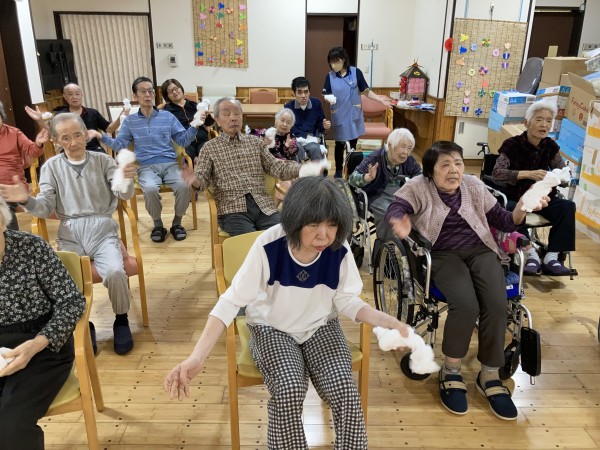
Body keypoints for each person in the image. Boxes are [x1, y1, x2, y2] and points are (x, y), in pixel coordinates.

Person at [164, 176, 410, 449]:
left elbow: (347, 301)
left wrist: (386, 321)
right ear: (294, 220)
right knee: (289, 388)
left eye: (332, 224)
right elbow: (230, 301)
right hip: (271, 329)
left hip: (320, 327)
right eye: (313, 224)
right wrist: (197, 356)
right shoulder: (269, 246)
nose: (324, 235)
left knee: (345, 390)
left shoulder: (338, 249)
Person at [385, 141, 548, 421]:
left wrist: (522, 207)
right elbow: (396, 207)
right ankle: (451, 370)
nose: (454, 170)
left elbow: (505, 221)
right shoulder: (419, 186)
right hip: (442, 254)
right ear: (431, 171)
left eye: (458, 163)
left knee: (497, 303)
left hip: (481, 251)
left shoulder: (473, 185)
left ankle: (489, 375)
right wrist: (399, 219)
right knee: (465, 304)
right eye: (445, 165)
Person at [0, 113, 138, 355]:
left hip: (103, 230)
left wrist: (126, 180)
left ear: (86, 134)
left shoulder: (103, 160)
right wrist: (26, 199)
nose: (73, 142)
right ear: (55, 141)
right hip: (70, 232)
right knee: (67, 281)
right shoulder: (51, 167)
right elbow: (45, 208)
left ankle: (121, 319)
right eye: (65, 138)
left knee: (115, 271)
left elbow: (122, 195)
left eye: (77, 135)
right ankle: (85, 322)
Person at [0, 196, 86, 450]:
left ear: (2, 223)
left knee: (11, 426)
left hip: (43, 345)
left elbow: (72, 302)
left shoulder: (31, 247)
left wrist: (36, 345)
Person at [182, 97, 326, 237]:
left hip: (263, 206)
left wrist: (304, 169)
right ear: (218, 120)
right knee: (251, 243)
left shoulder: (255, 143)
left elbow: (277, 167)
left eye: (237, 113)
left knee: (283, 237)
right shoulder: (209, 148)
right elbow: (202, 180)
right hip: (233, 210)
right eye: (226, 114)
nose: (233, 118)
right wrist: (194, 179)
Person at [93, 76, 204, 243]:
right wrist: (101, 137)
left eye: (150, 91)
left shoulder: (167, 116)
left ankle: (177, 223)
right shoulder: (130, 121)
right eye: (143, 91)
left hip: (170, 164)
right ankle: (158, 225)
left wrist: (194, 126)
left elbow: (182, 141)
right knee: (150, 189)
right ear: (135, 96)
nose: (147, 94)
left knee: (183, 186)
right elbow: (119, 145)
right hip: (146, 166)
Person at [492, 100, 576, 275]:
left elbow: (562, 171)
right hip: (516, 197)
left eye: (548, 121)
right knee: (511, 207)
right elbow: (497, 173)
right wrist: (527, 174)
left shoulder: (550, 146)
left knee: (567, 206)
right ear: (527, 122)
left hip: (542, 198)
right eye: (539, 120)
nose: (544, 124)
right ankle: (530, 253)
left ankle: (552, 256)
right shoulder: (512, 144)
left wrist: (561, 176)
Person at [323, 47, 389, 178]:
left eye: (336, 61)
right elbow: (325, 93)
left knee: (352, 145)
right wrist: (328, 98)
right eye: (331, 62)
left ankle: (351, 171)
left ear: (343, 60)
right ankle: (338, 171)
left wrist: (380, 99)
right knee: (339, 144)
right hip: (339, 114)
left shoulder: (355, 72)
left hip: (353, 114)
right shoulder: (330, 77)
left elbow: (366, 91)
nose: (333, 65)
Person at [349, 128, 421, 243]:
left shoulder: (409, 161)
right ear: (390, 145)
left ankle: (407, 245)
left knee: (417, 212)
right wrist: (367, 177)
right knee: (390, 215)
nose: (406, 152)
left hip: (400, 194)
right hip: (376, 194)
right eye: (403, 147)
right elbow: (352, 179)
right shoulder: (374, 158)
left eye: (409, 148)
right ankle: (386, 246)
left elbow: (420, 176)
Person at [25, 82, 121, 153]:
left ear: (82, 95)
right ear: (65, 97)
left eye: (77, 94)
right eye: (70, 94)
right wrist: (40, 121)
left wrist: (121, 117)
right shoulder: (61, 115)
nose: (75, 97)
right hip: (70, 149)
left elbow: (110, 129)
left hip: (93, 149)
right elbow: (52, 134)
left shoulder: (93, 113)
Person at [0, 101, 49, 230]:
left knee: (2, 204)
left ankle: (11, 239)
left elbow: (33, 151)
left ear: (2, 116)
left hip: (12, 186)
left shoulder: (14, 133)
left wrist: (38, 143)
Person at [160, 78, 216, 161]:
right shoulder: (167, 111)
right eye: (170, 91)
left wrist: (209, 117)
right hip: (184, 143)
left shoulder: (193, 105)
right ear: (167, 96)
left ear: (181, 88)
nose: (174, 92)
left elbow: (207, 123)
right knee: (186, 158)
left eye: (176, 88)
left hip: (202, 140)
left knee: (209, 155)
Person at [284, 76, 330, 161]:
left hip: (312, 140)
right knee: (295, 150)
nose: (303, 96)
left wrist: (323, 125)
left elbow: (319, 123)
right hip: (296, 139)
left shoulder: (316, 103)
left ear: (309, 92)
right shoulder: (289, 107)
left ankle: (318, 170)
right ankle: (298, 170)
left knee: (315, 149)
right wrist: (304, 136)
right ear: (294, 93)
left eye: (306, 92)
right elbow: (289, 127)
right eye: (299, 92)